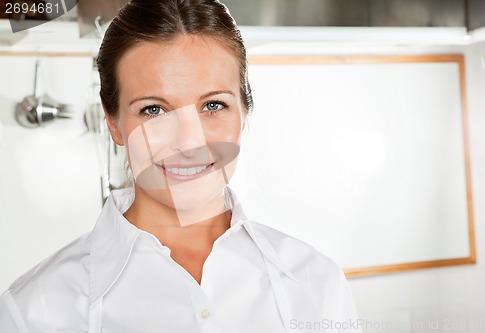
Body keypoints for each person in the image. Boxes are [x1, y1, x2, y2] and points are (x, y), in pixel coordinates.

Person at [0, 0, 360, 332]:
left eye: (213, 105)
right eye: (153, 109)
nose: (189, 143)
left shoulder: (317, 282)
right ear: (113, 123)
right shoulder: (34, 311)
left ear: (245, 110)